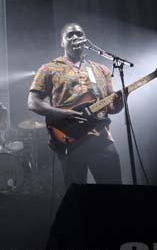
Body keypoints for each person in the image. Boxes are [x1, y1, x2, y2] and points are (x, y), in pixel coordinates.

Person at [27, 23, 124, 187]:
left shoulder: (101, 70)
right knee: (78, 195)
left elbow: (112, 108)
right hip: (70, 138)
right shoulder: (49, 68)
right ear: (62, 42)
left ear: (85, 39)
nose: (75, 38)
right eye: (69, 35)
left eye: (79, 34)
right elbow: (33, 102)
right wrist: (63, 114)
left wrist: (122, 101)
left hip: (102, 137)